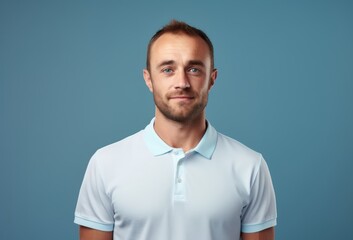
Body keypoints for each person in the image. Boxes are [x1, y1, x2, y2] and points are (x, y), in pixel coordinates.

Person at [74, 20, 277, 240]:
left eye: (194, 69)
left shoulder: (250, 167)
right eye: (168, 69)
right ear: (149, 79)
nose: (182, 82)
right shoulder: (105, 163)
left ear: (212, 79)